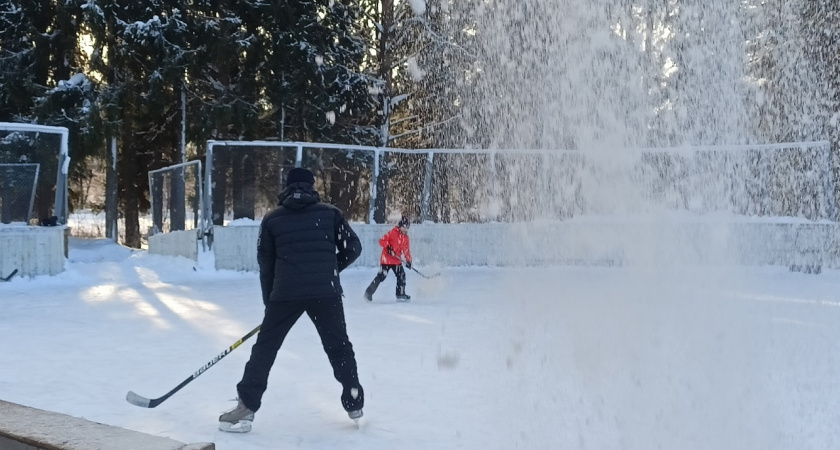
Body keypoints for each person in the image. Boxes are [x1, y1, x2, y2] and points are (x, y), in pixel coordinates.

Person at [219, 167, 364, 433]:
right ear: (312, 185)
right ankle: (353, 398)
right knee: (338, 346)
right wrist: (327, 270)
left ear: (287, 186)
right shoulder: (330, 213)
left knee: (265, 349)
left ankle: (246, 407)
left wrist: (270, 302)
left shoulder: (273, 219)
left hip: (285, 293)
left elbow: (266, 265)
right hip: (325, 291)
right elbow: (353, 248)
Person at [364, 215, 413, 302]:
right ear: (400, 226)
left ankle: (400, 294)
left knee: (401, 275)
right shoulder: (393, 233)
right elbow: (381, 241)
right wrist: (388, 247)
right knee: (381, 276)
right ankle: (368, 293)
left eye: (407, 227)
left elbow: (406, 250)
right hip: (386, 259)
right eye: (404, 227)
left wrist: (409, 260)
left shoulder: (406, 238)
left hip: (396, 261)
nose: (405, 229)